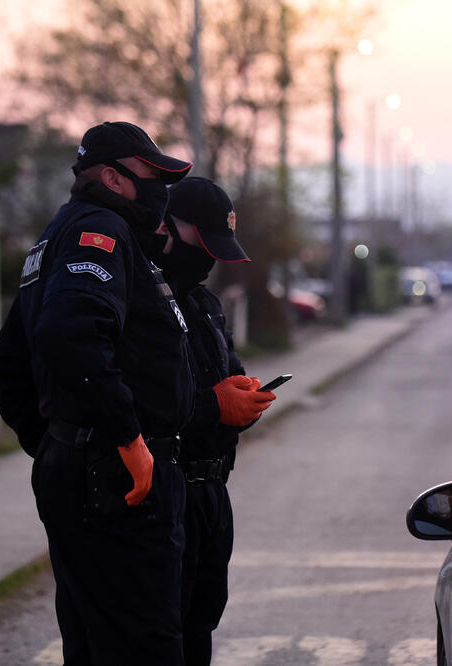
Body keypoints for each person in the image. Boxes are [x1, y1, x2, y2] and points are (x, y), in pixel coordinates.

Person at [0, 121, 197, 666]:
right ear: (112, 177)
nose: (160, 193)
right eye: (152, 178)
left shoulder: (58, 235)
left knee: (96, 647)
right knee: (145, 649)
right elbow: (67, 335)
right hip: (119, 483)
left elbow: (4, 368)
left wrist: (62, 444)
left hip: (92, 472)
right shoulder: (98, 232)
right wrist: (121, 440)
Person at [154, 176, 276, 664]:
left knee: (201, 622)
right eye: (201, 243)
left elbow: (231, 373)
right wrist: (213, 407)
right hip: (168, 492)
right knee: (163, 631)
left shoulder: (204, 304)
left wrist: (245, 400)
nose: (207, 260)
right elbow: (142, 402)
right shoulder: (142, 301)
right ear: (165, 228)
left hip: (211, 494)